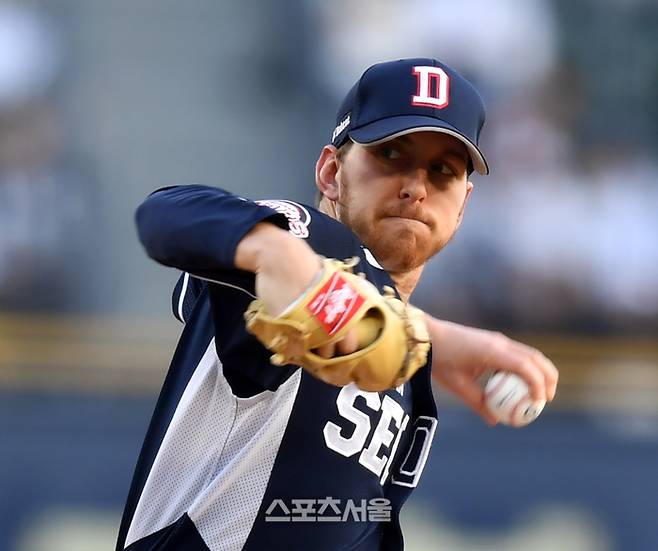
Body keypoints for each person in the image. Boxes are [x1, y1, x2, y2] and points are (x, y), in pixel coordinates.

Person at [116, 58, 558, 551]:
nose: (416, 187)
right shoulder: (315, 243)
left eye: (442, 171)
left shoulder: (401, 347)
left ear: (463, 206)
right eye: (391, 154)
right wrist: (276, 252)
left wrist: (432, 337)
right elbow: (166, 213)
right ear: (330, 172)